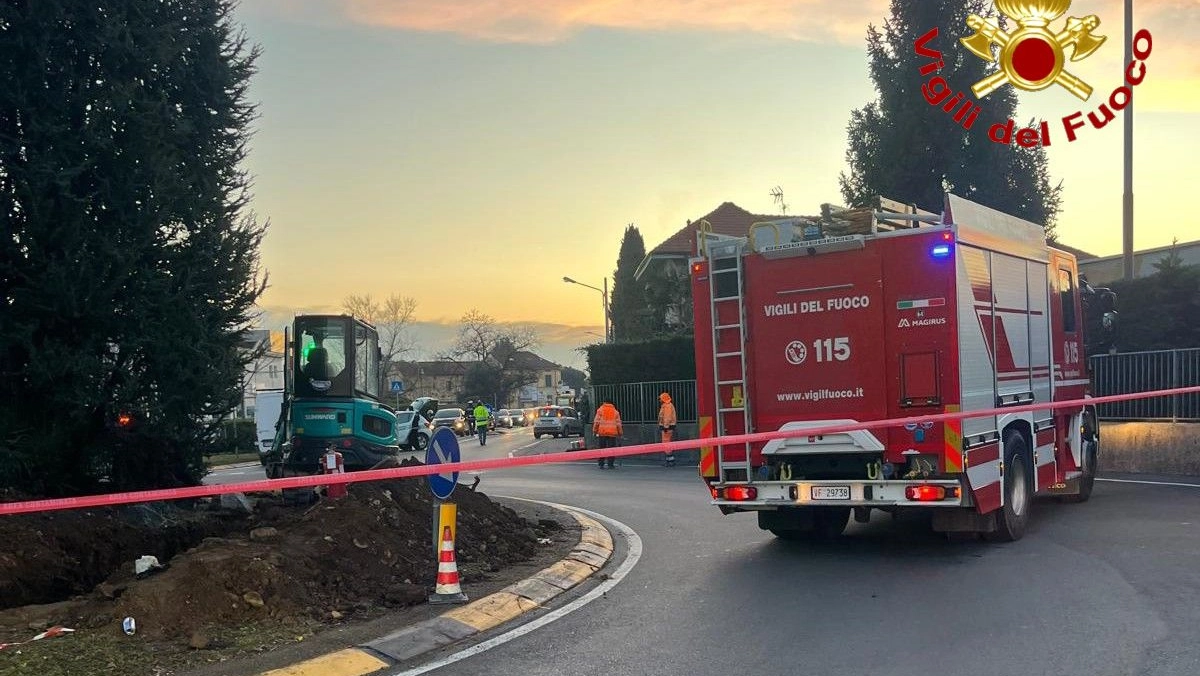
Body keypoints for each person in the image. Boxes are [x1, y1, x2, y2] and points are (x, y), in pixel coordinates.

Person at [592, 398, 622, 469]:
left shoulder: (600, 410)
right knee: (611, 449)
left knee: (602, 448)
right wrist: (620, 433)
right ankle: (610, 464)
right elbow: (618, 424)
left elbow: (596, 422)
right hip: (612, 433)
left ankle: (601, 463)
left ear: (604, 402)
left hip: (602, 432)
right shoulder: (615, 412)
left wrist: (594, 431)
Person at [658, 392, 677, 466]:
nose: (660, 400)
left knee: (666, 444)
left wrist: (665, 426)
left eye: (660, 399)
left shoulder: (667, 406)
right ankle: (669, 460)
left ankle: (670, 461)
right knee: (666, 444)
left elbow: (667, 417)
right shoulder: (666, 405)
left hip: (667, 427)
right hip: (668, 427)